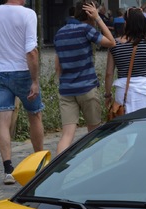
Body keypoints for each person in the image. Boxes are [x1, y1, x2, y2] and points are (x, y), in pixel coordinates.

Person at [0, 0, 44, 185]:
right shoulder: (28, 14)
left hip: (2, 72)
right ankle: (40, 164)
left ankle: (8, 169)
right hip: (23, 72)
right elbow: (32, 52)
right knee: (35, 115)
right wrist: (34, 80)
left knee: (4, 118)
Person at [54, 0, 116, 154]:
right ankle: (95, 169)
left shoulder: (60, 33)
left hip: (66, 90)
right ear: (90, 14)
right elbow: (111, 42)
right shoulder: (86, 29)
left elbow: (58, 66)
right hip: (87, 87)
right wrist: (98, 19)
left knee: (67, 135)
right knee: (94, 133)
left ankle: (57, 173)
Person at [104, 7, 146, 115]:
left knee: (125, 125)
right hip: (145, 90)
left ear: (126, 23)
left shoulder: (114, 45)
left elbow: (109, 74)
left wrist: (108, 95)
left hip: (123, 91)